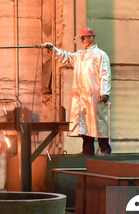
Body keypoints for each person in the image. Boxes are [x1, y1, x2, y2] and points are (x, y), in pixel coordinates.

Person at [44, 27, 112, 155]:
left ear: (91, 37)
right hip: (82, 96)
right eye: (80, 38)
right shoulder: (79, 55)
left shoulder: (100, 55)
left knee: (99, 122)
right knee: (85, 123)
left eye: (83, 37)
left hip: (95, 95)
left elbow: (105, 74)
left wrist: (104, 92)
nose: (82, 40)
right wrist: (52, 49)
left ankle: (105, 149)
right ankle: (87, 150)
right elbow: (66, 57)